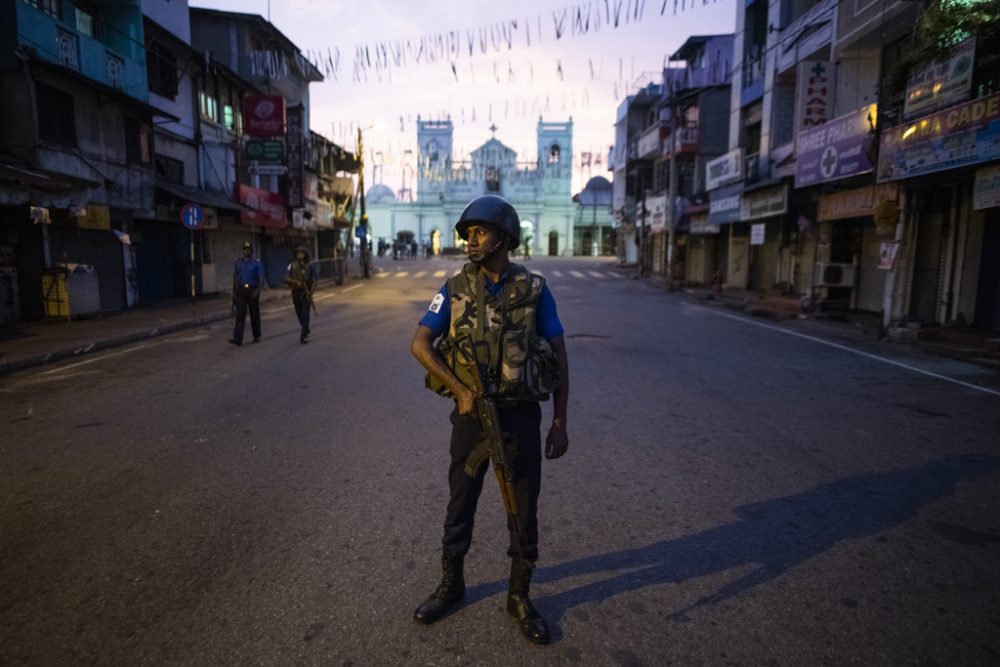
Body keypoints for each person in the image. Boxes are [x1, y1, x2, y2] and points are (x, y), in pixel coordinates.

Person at [409, 194, 570, 645]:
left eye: (479, 232)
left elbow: (558, 354)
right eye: (467, 233)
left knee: (522, 510)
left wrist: (559, 422)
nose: (469, 241)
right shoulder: (455, 288)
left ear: (503, 237)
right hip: (471, 418)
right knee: (460, 503)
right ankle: (451, 583)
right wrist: (460, 390)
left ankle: (519, 595)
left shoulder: (535, 290)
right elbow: (420, 343)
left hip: (519, 418)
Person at [229, 241, 266, 346]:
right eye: (245, 249)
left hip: (252, 290)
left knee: (254, 313)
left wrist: (257, 290)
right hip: (241, 290)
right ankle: (238, 338)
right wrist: (234, 292)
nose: (246, 251)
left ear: (252, 251)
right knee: (240, 314)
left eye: (248, 249)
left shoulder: (257, 263)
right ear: (243, 250)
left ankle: (256, 335)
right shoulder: (238, 262)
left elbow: (261, 279)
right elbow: (235, 277)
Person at [285, 246, 317, 344]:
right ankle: (305, 328)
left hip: (306, 293)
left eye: (302, 253)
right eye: (298, 253)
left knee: (305, 314)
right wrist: (296, 281)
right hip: (296, 292)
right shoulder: (291, 266)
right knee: (299, 314)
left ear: (305, 255)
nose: (300, 255)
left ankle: (303, 336)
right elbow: (285, 278)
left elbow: (315, 280)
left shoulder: (310, 267)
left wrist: (311, 292)